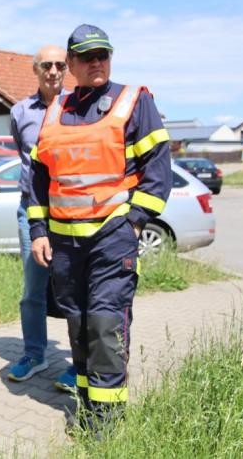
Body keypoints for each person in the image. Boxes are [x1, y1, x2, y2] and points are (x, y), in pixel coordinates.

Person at [28, 24, 171, 431]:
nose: (97, 63)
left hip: (112, 238)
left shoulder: (133, 101)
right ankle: (88, 407)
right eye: (87, 57)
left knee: (106, 325)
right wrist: (39, 230)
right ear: (71, 64)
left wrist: (134, 222)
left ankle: (106, 426)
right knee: (79, 325)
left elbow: (158, 169)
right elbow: (38, 176)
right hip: (64, 243)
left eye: (103, 55)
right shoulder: (56, 109)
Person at [7, 45, 77, 390]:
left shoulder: (79, 108)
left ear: (67, 69)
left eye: (59, 65)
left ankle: (81, 363)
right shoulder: (20, 112)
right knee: (33, 288)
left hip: (72, 209)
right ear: (35, 70)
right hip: (31, 210)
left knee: (75, 287)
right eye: (46, 65)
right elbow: (25, 159)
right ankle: (35, 354)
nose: (53, 71)